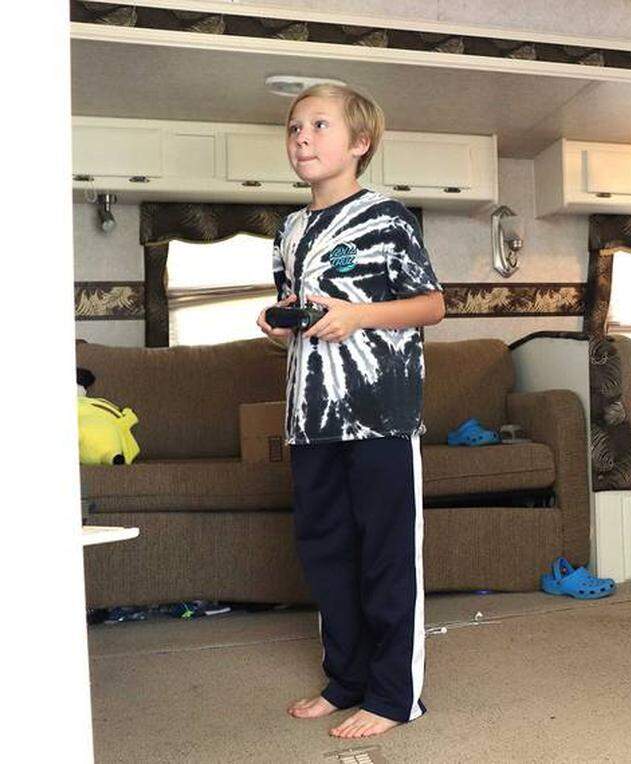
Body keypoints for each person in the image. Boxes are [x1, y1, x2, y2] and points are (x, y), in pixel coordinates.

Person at [256, 84, 445, 739]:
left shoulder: (388, 218)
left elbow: (432, 306)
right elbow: (296, 306)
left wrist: (358, 316)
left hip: (380, 416)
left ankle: (394, 696)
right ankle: (347, 680)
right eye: (293, 128)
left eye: (318, 125)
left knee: (385, 556)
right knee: (325, 553)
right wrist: (276, 322)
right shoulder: (289, 229)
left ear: (359, 143)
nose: (301, 137)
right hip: (308, 421)